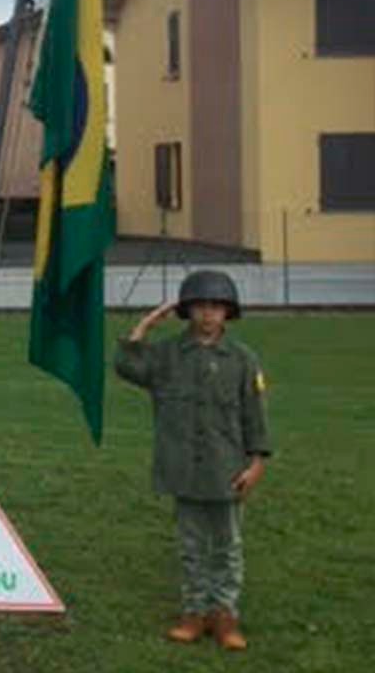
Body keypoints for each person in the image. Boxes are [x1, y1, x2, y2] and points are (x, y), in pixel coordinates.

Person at [115, 270, 270, 651]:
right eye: (200, 306)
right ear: (187, 311)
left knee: (227, 547)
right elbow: (127, 366)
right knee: (191, 547)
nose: (207, 314)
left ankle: (225, 615)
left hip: (226, 470)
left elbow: (255, 416)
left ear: (228, 313)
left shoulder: (242, 360)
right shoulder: (167, 356)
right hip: (184, 469)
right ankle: (194, 613)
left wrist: (256, 464)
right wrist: (145, 327)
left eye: (216, 307)